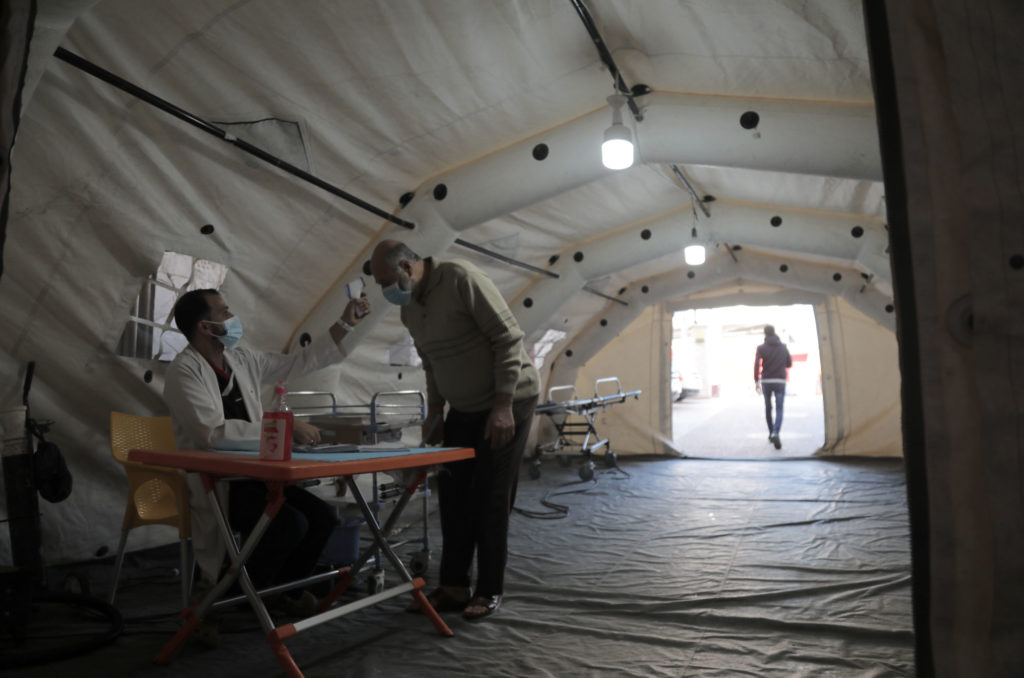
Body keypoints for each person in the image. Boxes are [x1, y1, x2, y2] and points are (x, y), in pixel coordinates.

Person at [163, 288, 370, 621]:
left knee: (324, 518)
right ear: (204, 327)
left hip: (257, 476)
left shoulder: (241, 359)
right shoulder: (184, 372)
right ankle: (223, 604)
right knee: (288, 524)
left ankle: (282, 591)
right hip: (219, 482)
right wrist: (283, 430)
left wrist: (344, 324)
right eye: (224, 312)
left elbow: (298, 362)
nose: (232, 318)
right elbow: (211, 434)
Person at [370, 239, 539, 621]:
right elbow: (430, 361)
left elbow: (508, 339)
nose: (385, 291)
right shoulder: (409, 306)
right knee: (453, 492)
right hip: (463, 406)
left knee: (490, 496)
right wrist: (435, 410)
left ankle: (489, 589)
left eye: (386, 281)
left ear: (408, 267)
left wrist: (502, 404)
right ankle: (453, 585)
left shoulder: (461, 278)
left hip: (507, 400)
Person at [754, 324, 792, 450]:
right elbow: (789, 363)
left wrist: (756, 380)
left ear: (765, 334)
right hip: (780, 381)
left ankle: (771, 433)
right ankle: (776, 431)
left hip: (767, 381)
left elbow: (756, 365)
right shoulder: (783, 347)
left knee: (768, 408)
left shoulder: (761, 348)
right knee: (779, 408)